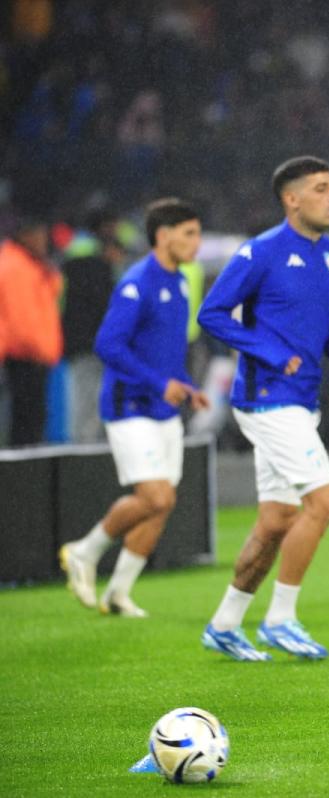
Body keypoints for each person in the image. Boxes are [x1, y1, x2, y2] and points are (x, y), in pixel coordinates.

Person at [197, 156, 329, 662]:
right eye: (320, 189)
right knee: (324, 504)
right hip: (266, 400)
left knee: (275, 520)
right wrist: (267, 352)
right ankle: (281, 619)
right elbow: (212, 314)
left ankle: (224, 624)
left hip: (302, 399)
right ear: (292, 199)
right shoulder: (260, 252)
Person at [59, 198, 210, 617]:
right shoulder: (137, 281)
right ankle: (83, 551)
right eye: (189, 234)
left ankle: (118, 593)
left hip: (164, 408)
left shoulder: (180, 281)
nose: (196, 243)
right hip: (130, 407)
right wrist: (159, 383)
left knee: (163, 502)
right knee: (156, 496)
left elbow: (167, 349)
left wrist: (186, 386)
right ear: (163, 236)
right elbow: (108, 344)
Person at [0, 211, 63, 446]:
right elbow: (21, 320)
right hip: (24, 356)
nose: (43, 242)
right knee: (26, 422)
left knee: (32, 420)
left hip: (33, 355)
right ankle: (22, 476)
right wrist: (39, 350)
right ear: (25, 236)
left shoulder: (30, 265)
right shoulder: (16, 267)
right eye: (39, 236)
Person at [60, 208, 123, 442]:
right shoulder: (95, 263)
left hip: (81, 340)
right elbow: (101, 304)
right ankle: (83, 454)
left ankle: (84, 448)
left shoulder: (75, 255)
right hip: (90, 342)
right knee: (89, 401)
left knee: (86, 399)